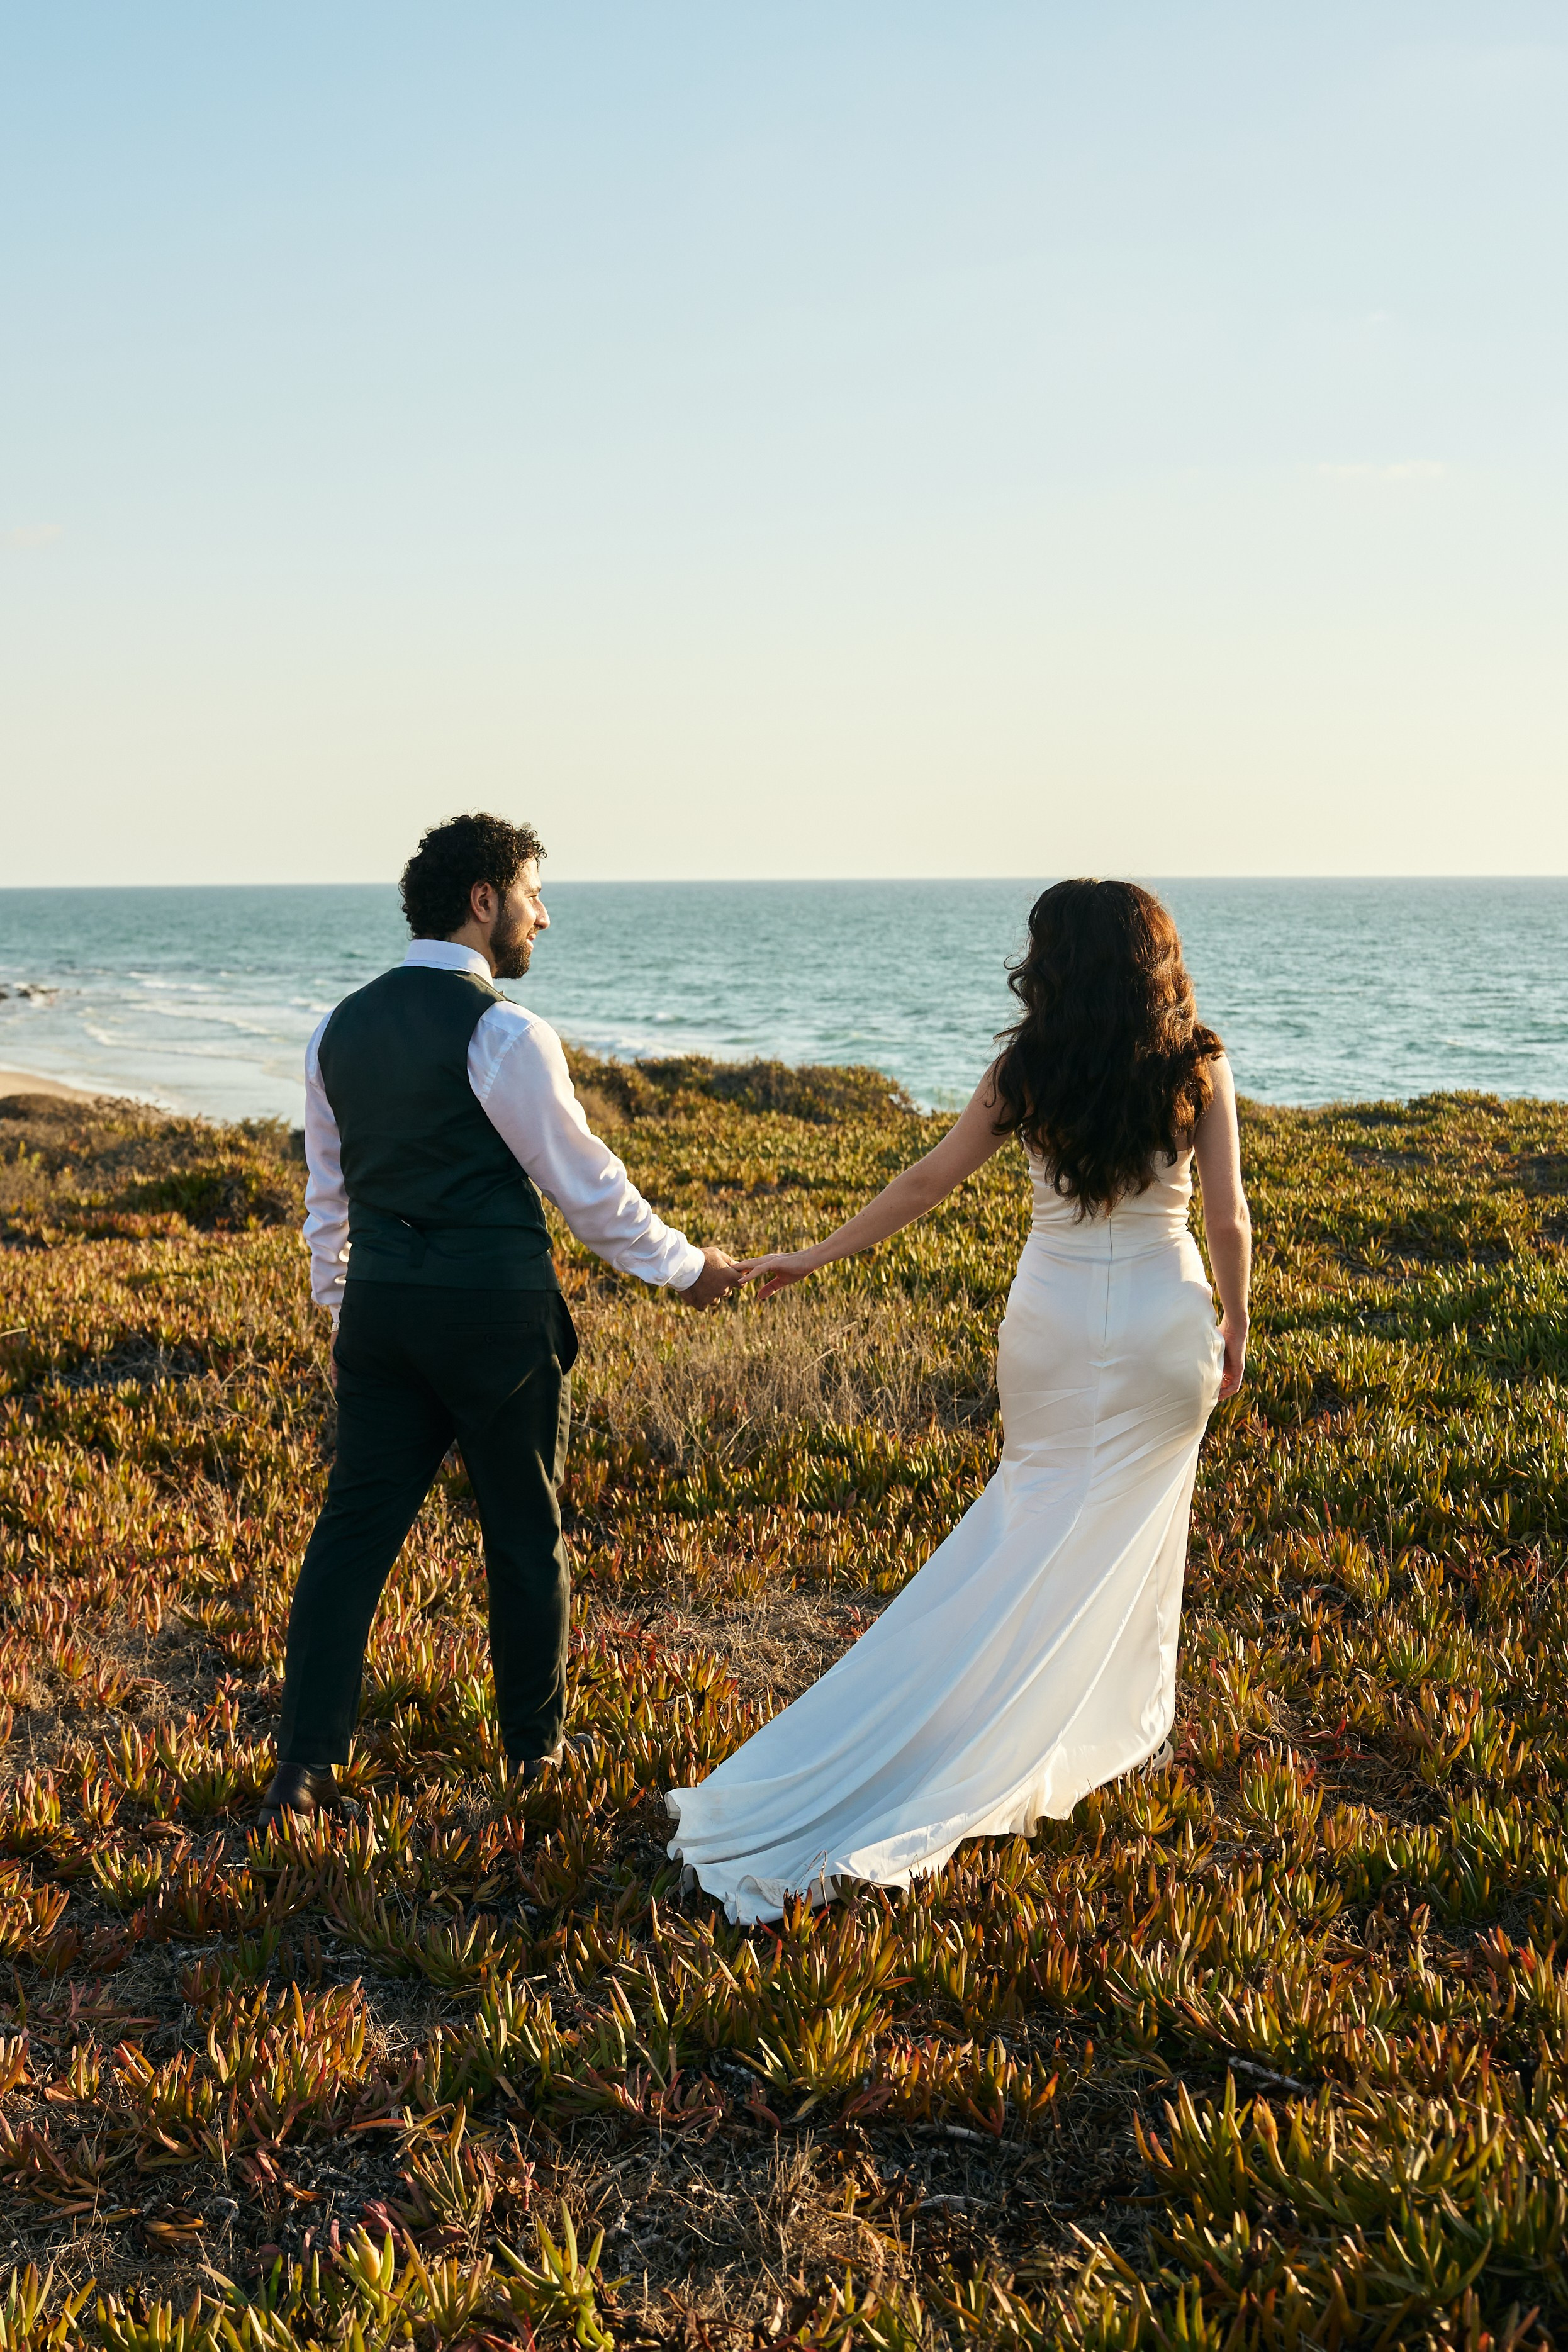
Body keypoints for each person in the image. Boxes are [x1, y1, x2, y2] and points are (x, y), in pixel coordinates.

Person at [666, 878, 1250, 1925]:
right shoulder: (1200, 1066)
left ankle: (975, 1723)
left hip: (1055, 1324)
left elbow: (925, 1182)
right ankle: (1060, 1728)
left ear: (1055, 964)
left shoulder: (1028, 1069)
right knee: (1119, 1538)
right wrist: (1239, 1324)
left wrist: (816, 1253)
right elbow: (1229, 1213)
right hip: (1167, 1325)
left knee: (1028, 1527)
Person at [258, 813, 740, 1833]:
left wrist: (350, 1309)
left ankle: (303, 1765)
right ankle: (533, 1758)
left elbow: (327, 1201)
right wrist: (688, 1269)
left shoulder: (335, 1028)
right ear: (483, 901)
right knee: (525, 1536)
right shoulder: (506, 1032)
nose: (542, 916)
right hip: (494, 1316)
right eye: (530, 894)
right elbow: (588, 1189)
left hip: (384, 1316)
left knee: (351, 1537)